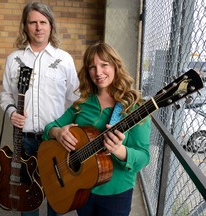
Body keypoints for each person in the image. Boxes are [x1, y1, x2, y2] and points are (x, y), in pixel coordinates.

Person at [42, 41, 151, 216]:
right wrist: (57, 132)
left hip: (116, 193)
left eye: (104, 65)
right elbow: (49, 128)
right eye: (92, 67)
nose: (98, 72)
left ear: (115, 66)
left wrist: (119, 150)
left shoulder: (135, 107)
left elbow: (144, 157)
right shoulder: (83, 104)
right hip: (82, 188)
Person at [0, 2, 79, 216]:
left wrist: (70, 128)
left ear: (51, 26)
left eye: (43, 22)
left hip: (54, 140)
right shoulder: (14, 60)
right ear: (25, 26)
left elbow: (75, 99)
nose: (38, 27)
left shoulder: (64, 60)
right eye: (33, 22)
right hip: (24, 139)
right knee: (28, 197)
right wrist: (12, 112)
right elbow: (5, 94)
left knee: (55, 194)